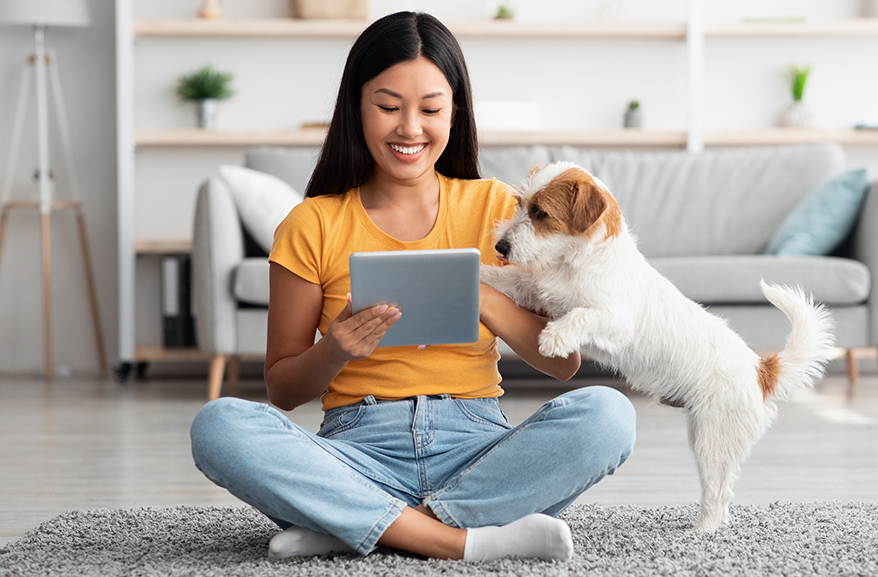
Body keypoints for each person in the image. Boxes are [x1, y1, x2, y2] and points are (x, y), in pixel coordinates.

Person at [190, 11, 636, 563]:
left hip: (476, 444)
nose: (409, 128)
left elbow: (563, 363)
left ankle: (355, 526)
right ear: (357, 108)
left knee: (608, 415)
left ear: (455, 112)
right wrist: (336, 347)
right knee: (219, 425)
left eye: (430, 109)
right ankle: (456, 538)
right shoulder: (312, 223)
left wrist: (484, 300)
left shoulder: (503, 211)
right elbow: (282, 390)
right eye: (387, 106)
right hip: (357, 451)